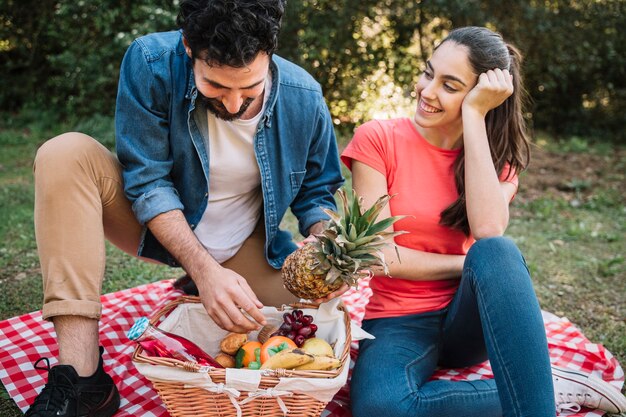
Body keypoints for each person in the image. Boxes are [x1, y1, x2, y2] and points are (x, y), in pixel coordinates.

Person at [26, 0, 343, 416]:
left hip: (242, 244)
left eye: (250, 90)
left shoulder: (305, 97)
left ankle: (203, 288)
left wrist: (326, 243)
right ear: (188, 48)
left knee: (313, 322)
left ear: (270, 54)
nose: (233, 105)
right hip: (151, 228)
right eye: (215, 87)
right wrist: (203, 269)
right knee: (64, 154)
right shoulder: (151, 62)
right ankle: (83, 379)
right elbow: (148, 181)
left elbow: (318, 194)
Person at [341, 26, 626, 417]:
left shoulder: (498, 163)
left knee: (497, 251)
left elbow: (489, 233)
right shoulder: (377, 139)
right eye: (428, 73)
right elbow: (380, 256)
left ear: (480, 96)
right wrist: (467, 265)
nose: (427, 90)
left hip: (471, 317)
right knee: (380, 407)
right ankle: (546, 386)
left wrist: (474, 118)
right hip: (400, 318)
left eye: (450, 85)